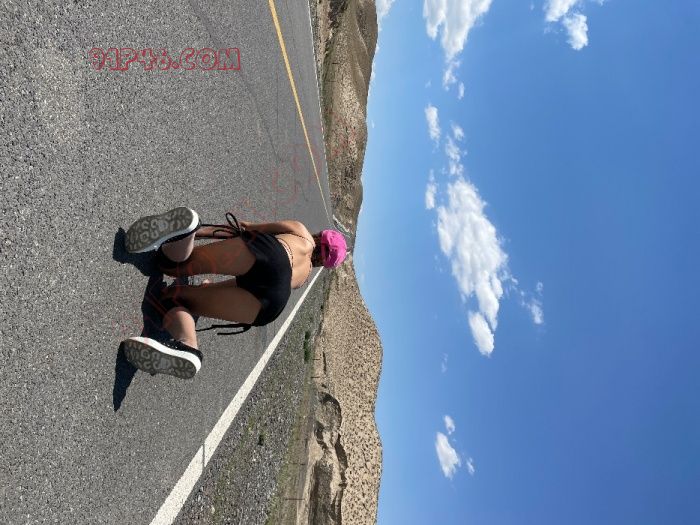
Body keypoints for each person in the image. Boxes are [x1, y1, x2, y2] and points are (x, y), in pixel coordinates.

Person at [120, 206, 347, 379]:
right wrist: (206, 290)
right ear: (322, 265)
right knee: (173, 301)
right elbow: (244, 285)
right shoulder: (304, 276)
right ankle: (188, 346)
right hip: (273, 302)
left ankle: (186, 234)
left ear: (320, 235)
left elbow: (245, 229)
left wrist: (200, 232)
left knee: (171, 265)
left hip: (276, 252)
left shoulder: (301, 232)